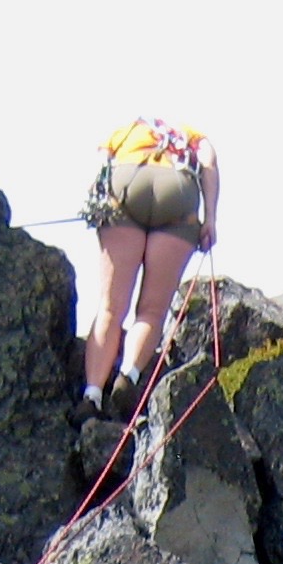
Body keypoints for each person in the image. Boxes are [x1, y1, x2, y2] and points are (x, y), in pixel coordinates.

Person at [81, 117, 220, 412]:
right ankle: (127, 378)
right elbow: (209, 165)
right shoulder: (193, 137)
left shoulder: (125, 131)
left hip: (128, 182)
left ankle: (91, 395)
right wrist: (210, 219)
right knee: (152, 311)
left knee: (110, 307)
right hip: (178, 193)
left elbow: (100, 166)